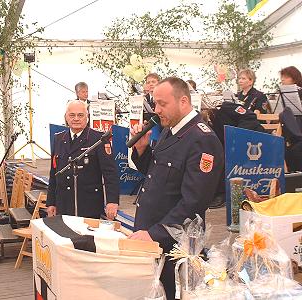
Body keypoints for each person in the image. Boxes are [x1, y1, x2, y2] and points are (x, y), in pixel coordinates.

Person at [128, 77, 224, 299]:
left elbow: (194, 202)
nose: (156, 110)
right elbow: (157, 175)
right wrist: (142, 150)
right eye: (155, 103)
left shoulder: (202, 139)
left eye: (162, 104)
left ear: (183, 101)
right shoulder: (171, 130)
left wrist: (153, 234)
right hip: (153, 239)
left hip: (174, 245)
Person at [47, 100, 119, 220]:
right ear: (66, 117)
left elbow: (110, 173)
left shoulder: (98, 139)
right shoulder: (59, 138)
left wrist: (112, 201)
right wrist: (51, 202)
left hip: (88, 205)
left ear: (87, 117)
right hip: (64, 204)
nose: (76, 119)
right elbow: (54, 173)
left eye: (80, 115)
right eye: (72, 115)